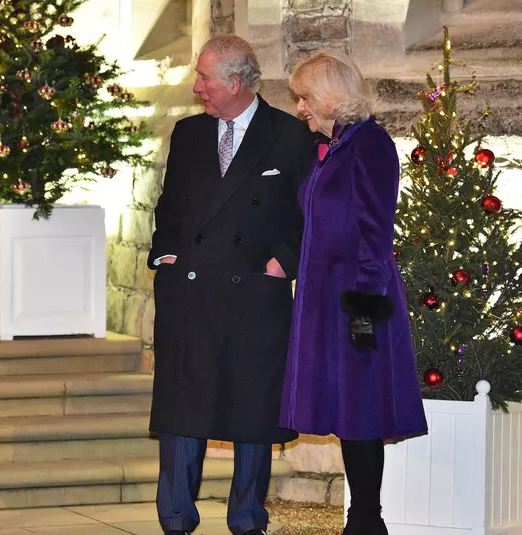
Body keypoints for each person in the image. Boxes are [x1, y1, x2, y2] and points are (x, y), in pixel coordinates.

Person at [147, 35, 320, 535]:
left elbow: (310, 213)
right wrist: (165, 254)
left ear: (236, 81)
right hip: (191, 290)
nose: (196, 87)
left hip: (253, 293)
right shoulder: (188, 133)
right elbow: (171, 206)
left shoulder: (290, 136)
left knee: (252, 409)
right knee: (184, 408)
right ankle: (176, 517)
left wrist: (284, 262)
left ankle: (247, 518)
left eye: (204, 78)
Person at [279, 50, 428, 535]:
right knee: (345, 408)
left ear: (329, 97)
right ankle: (361, 522)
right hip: (326, 296)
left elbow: (375, 232)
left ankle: (367, 522)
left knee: (361, 410)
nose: (299, 108)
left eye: (304, 98)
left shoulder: (371, 145)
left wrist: (363, 310)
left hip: (358, 298)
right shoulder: (336, 146)